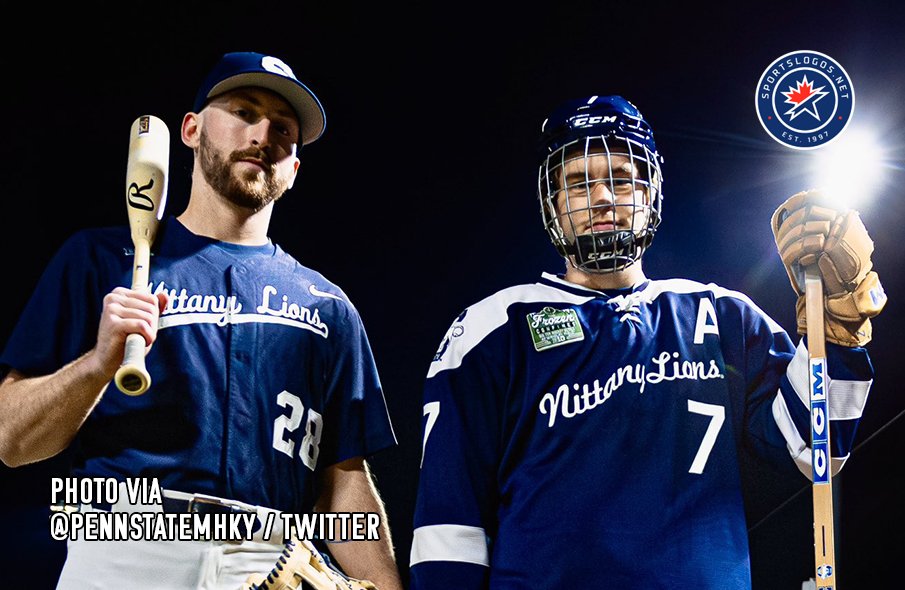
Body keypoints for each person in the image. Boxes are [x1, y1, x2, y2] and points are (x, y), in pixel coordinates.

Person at [409, 95, 887, 588]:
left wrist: (838, 325)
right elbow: (449, 526)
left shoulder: (722, 316)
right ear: (552, 202)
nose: (601, 197)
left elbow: (815, 449)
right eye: (578, 183)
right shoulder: (492, 329)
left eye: (620, 178)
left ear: (651, 191)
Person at [0, 51, 403, 590]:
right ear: (190, 130)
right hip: (126, 545)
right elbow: (11, 439)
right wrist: (97, 365)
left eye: (283, 128)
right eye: (243, 111)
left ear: (294, 167)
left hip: (270, 560)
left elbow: (343, 479)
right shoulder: (101, 261)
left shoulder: (329, 307)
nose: (263, 134)